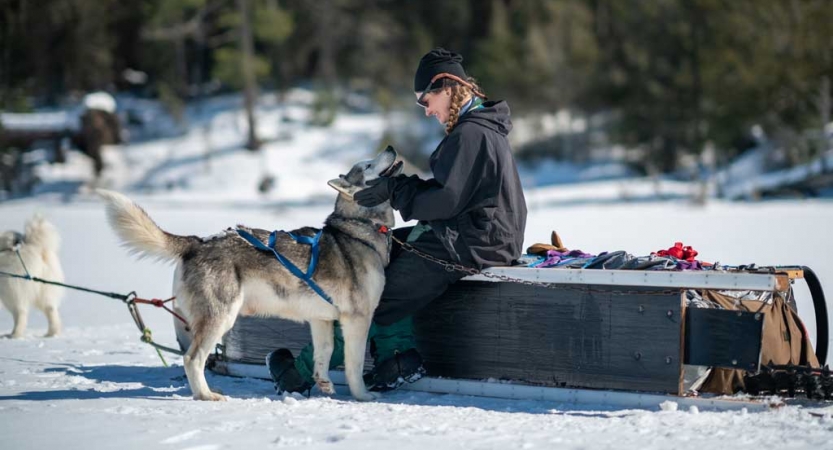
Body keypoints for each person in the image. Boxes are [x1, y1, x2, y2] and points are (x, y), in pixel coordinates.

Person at [268, 47, 528, 394]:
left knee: (369, 294)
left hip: (472, 242)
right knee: (391, 251)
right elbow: (455, 192)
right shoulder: (479, 127)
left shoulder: (470, 134)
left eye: (426, 100)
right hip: (482, 235)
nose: (426, 111)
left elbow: (446, 200)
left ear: (448, 87)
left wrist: (395, 191)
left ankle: (301, 373)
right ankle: (395, 358)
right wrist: (400, 186)